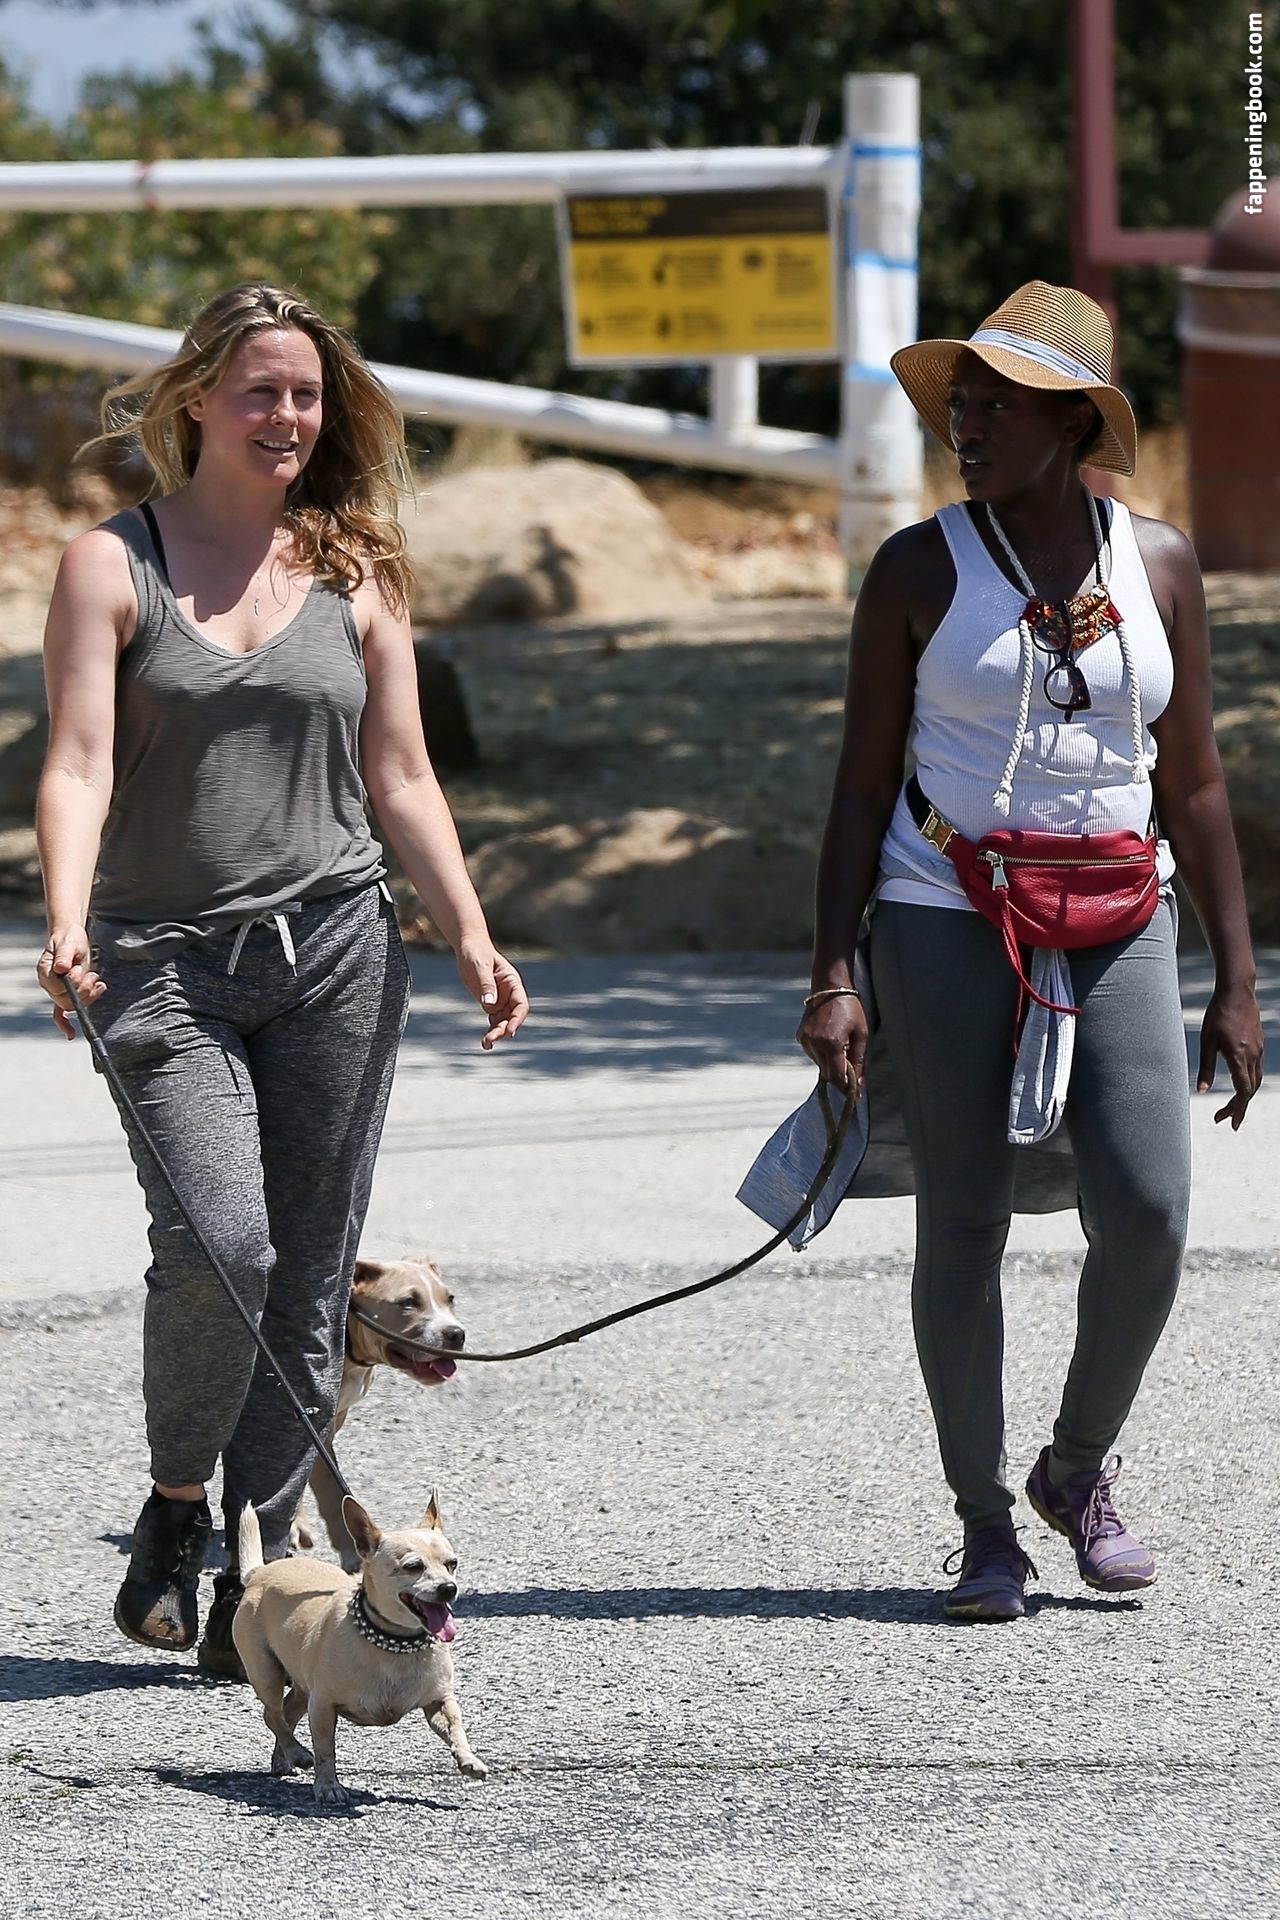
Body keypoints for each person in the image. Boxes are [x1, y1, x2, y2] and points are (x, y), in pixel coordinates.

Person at [35, 282, 529, 1676]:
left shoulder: (358, 566)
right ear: (197, 398)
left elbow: (404, 775)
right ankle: (175, 1507)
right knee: (223, 1247)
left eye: (308, 394)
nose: (289, 416)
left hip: (337, 957)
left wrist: (471, 930)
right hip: (159, 964)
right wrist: (65, 917)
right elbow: (75, 761)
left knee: (311, 1274)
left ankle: (261, 1574)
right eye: (262, 390)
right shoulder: (110, 564)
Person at [798, 282, 1263, 1621]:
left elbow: (1197, 783)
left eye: (1001, 404)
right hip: (944, 911)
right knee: (966, 1216)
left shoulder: (1158, 564)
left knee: (1151, 1212)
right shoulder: (919, 568)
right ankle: (986, 1523)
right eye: (964, 402)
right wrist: (834, 973)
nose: (969, 423)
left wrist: (1237, 980)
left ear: (1074, 424)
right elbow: (858, 786)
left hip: (1122, 915)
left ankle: (1074, 1466)